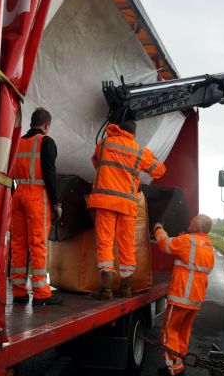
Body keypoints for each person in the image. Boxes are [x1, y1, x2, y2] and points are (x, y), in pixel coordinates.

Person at [87, 121, 166, 300]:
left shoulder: (105, 143)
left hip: (105, 201)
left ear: (120, 128)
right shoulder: (138, 151)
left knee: (105, 243)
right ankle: (125, 287)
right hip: (127, 205)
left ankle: (106, 288)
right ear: (133, 133)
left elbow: (96, 162)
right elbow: (159, 171)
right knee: (126, 245)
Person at [10, 107, 63, 305]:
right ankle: (41, 293)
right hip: (36, 196)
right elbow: (49, 174)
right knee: (38, 243)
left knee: (18, 244)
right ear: (46, 125)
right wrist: (56, 202)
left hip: (18, 194)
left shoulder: (18, 143)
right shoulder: (46, 142)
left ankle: (18, 292)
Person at [153, 215, 215, 376]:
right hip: (195, 299)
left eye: (192, 221)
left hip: (181, 295)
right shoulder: (208, 244)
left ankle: (173, 371)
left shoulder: (187, 241)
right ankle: (178, 367)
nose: (189, 222)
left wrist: (158, 228)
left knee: (169, 332)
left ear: (197, 226)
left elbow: (165, 245)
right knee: (182, 333)